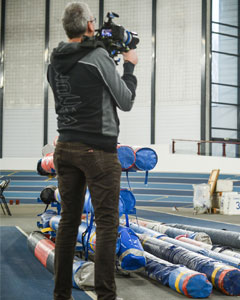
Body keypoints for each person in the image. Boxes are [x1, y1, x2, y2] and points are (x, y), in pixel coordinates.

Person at [47, 2, 138, 299]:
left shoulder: (54, 60)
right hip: (98, 150)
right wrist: (129, 66)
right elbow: (125, 101)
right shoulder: (98, 57)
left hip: (65, 147)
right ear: (88, 25)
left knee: (69, 223)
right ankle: (106, 296)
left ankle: (61, 295)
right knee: (107, 224)